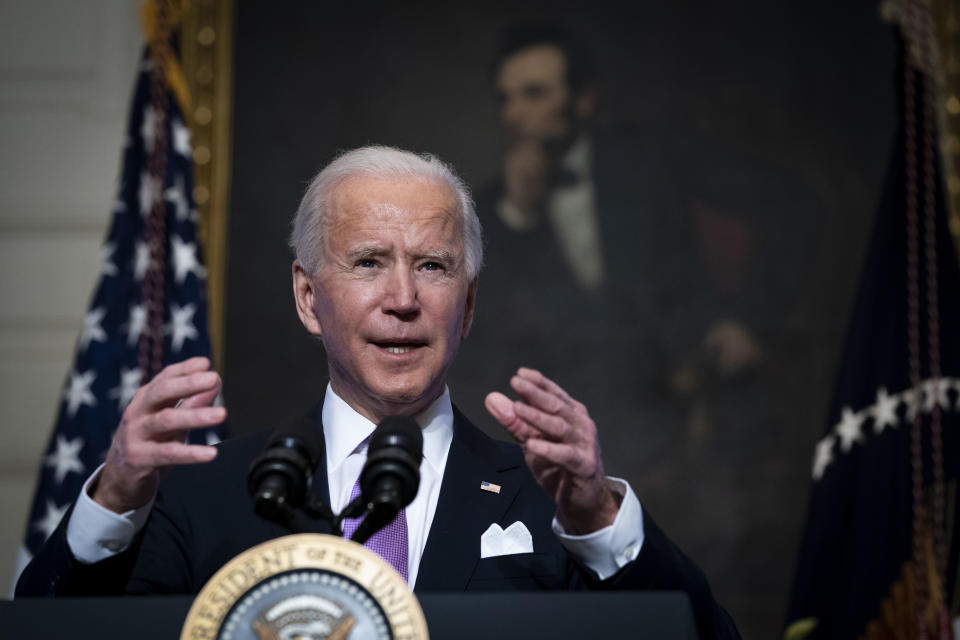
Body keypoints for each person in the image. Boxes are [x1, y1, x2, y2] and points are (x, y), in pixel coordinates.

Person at [17, 146, 739, 639]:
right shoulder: (201, 494)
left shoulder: (551, 500)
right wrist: (112, 500)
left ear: (469, 303)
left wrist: (600, 521)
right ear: (308, 298)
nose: (403, 299)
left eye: (432, 265)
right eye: (368, 262)